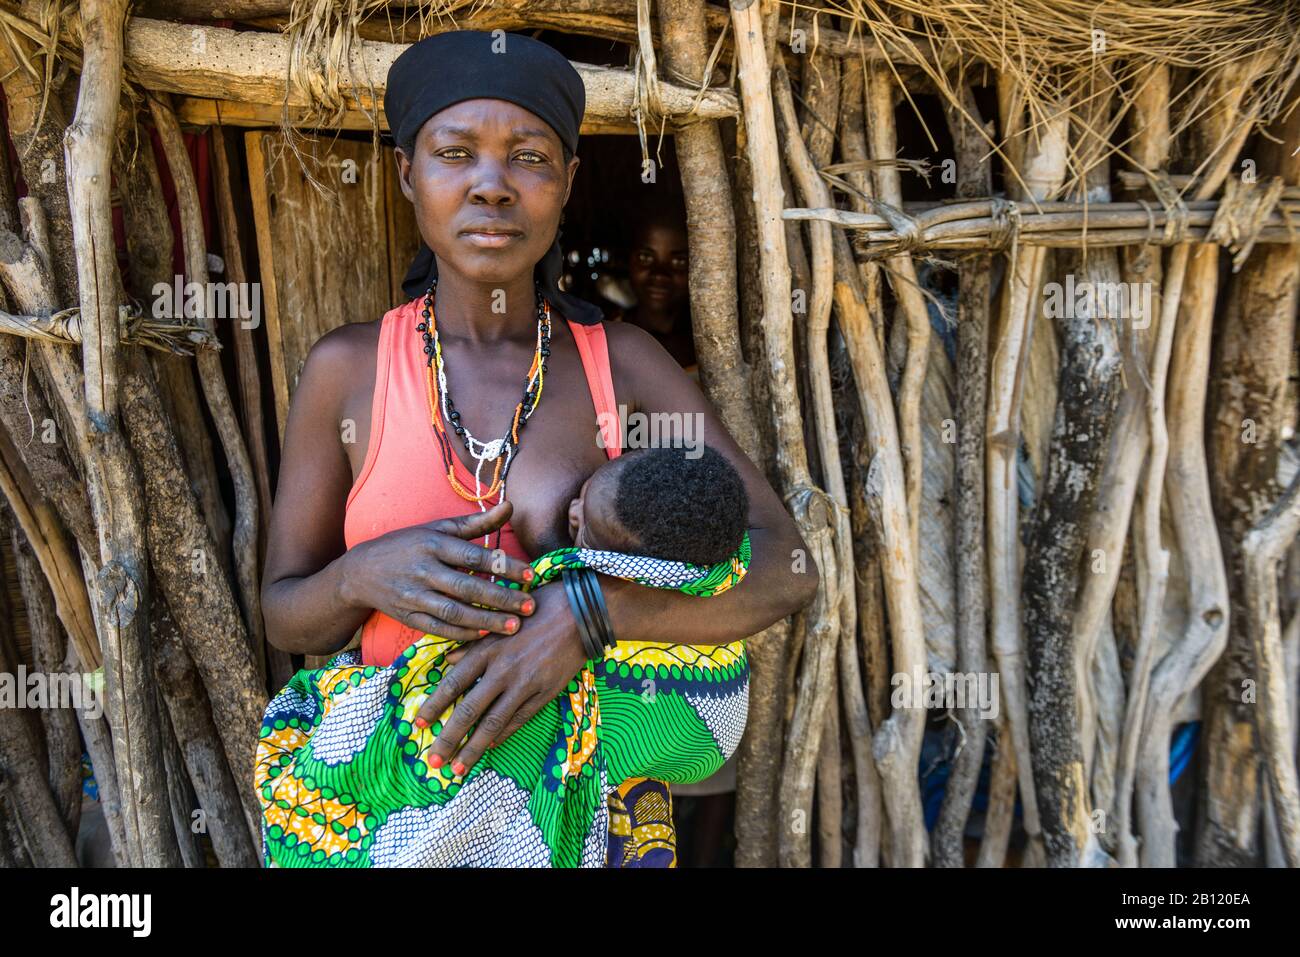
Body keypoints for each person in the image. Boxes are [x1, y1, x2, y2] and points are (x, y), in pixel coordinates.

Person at [260, 29, 819, 867]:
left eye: (528, 157)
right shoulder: (350, 372)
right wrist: (361, 573)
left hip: (600, 810)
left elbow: (785, 564)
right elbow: (283, 606)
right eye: (456, 153)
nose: (492, 186)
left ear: (565, 183)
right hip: (406, 807)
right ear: (410, 172)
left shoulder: (619, 363)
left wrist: (591, 614)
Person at [256, 445, 753, 866]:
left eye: (586, 520)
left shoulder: (579, 593)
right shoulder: (713, 596)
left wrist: (582, 609)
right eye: (580, 497)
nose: (572, 514)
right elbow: (284, 616)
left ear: (637, 572)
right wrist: (354, 575)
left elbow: (460, 659)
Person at [608, 208, 698, 376]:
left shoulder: (710, 348)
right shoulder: (605, 338)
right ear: (628, 261)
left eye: (679, 261)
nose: (659, 274)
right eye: (645, 258)